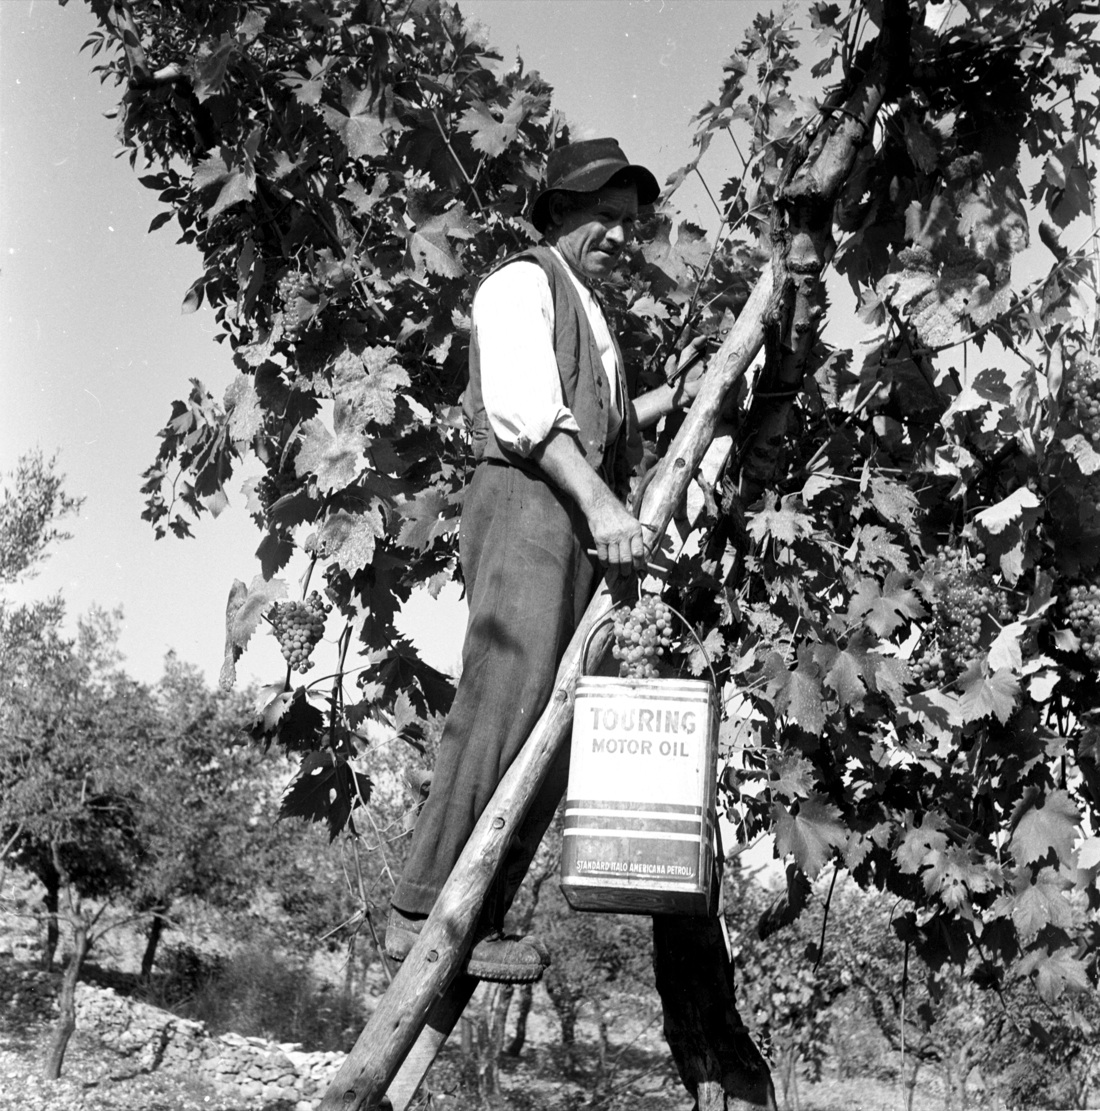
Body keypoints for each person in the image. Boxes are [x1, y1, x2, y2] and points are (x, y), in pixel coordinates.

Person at [385, 138, 704, 982]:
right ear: (561, 210)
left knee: (554, 732)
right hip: (533, 505)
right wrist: (603, 507)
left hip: (574, 521)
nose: (622, 237)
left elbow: (602, 427)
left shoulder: (592, 317)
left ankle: (476, 912)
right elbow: (529, 413)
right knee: (507, 692)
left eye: (631, 225)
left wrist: (690, 392)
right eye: (606, 218)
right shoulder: (520, 282)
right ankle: (418, 908)